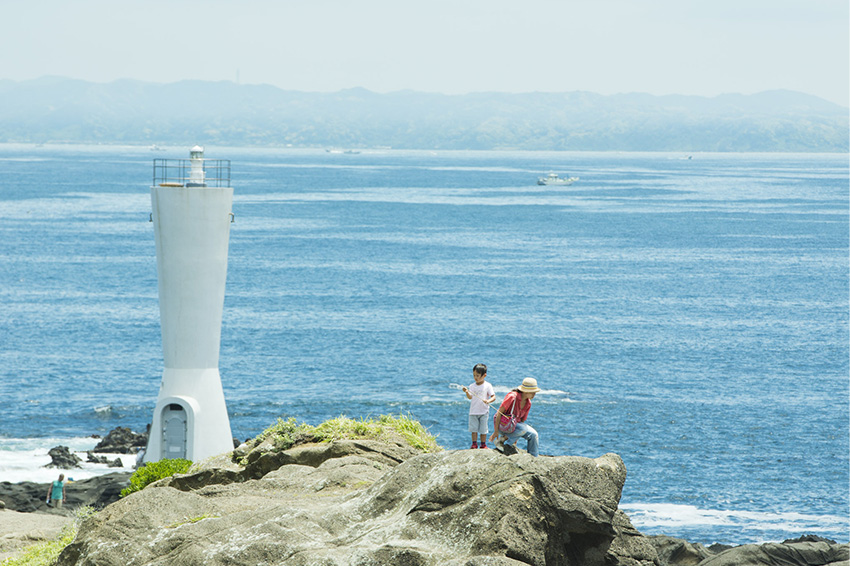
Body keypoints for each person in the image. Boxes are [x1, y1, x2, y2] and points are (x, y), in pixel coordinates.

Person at [489, 377, 541, 457]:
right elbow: (499, 413)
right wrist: (496, 431)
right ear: (525, 391)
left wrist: (516, 438)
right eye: (532, 392)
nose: (534, 394)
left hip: (514, 427)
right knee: (523, 429)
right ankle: (505, 443)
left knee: (534, 434)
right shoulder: (512, 397)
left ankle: (534, 457)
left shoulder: (528, 403)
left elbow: (521, 422)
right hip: (503, 425)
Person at [462, 363, 496, 449]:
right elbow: (470, 397)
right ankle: (474, 444)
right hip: (473, 411)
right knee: (474, 429)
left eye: (478, 375)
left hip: (484, 411)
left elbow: (493, 397)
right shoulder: (472, 386)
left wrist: (488, 401)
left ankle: (483, 444)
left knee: (483, 429)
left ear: (484, 375)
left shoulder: (488, 385)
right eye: (474, 375)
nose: (476, 378)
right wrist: (466, 392)